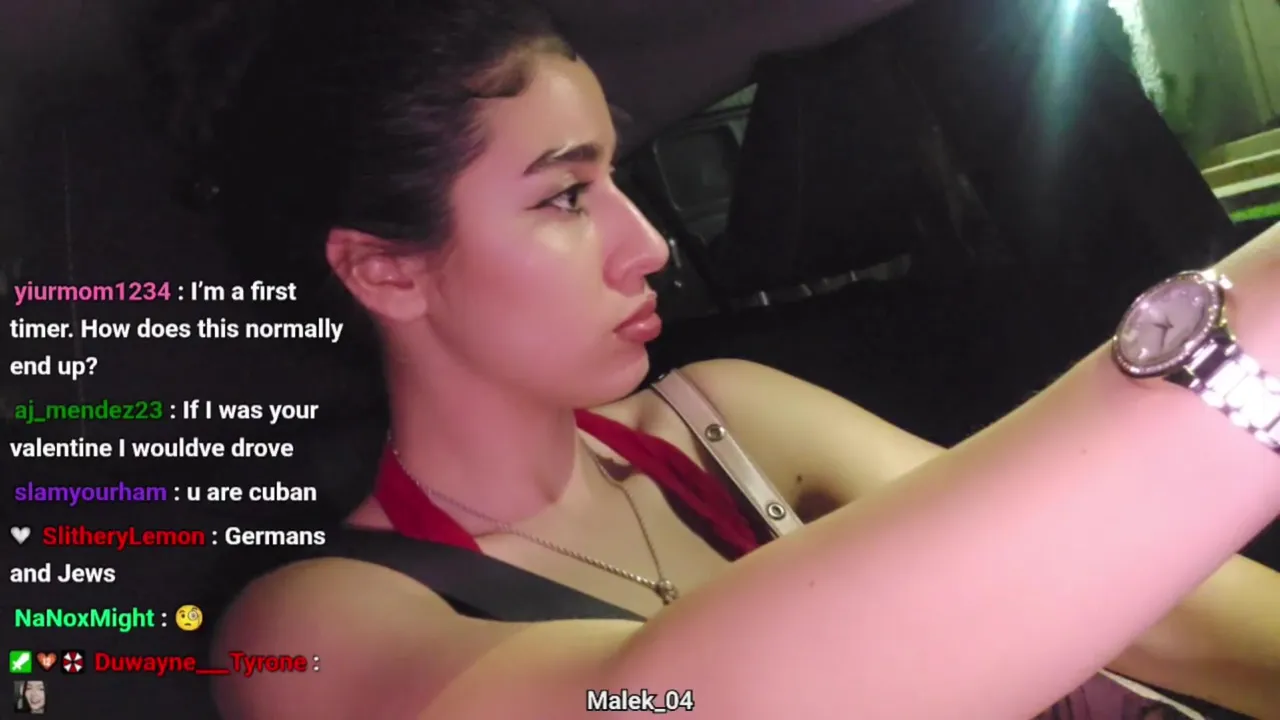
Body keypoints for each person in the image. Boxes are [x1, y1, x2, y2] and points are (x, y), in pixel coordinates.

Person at [145, 1, 1280, 718]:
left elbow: (1152, 601)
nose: (646, 246)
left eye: (617, 176)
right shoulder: (307, 635)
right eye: (565, 196)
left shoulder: (722, 416)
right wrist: (1238, 348)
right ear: (388, 270)